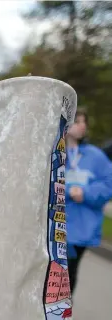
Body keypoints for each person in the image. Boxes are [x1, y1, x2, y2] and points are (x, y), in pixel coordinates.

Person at [66, 109, 112, 293]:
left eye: (84, 121)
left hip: (81, 230)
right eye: (77, 121)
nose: (82, 125)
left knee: (68, 276)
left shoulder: (96, 156)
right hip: (52, 227)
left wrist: (85, 192)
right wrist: (69, 190)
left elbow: (108, 185)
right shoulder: (52, 153)